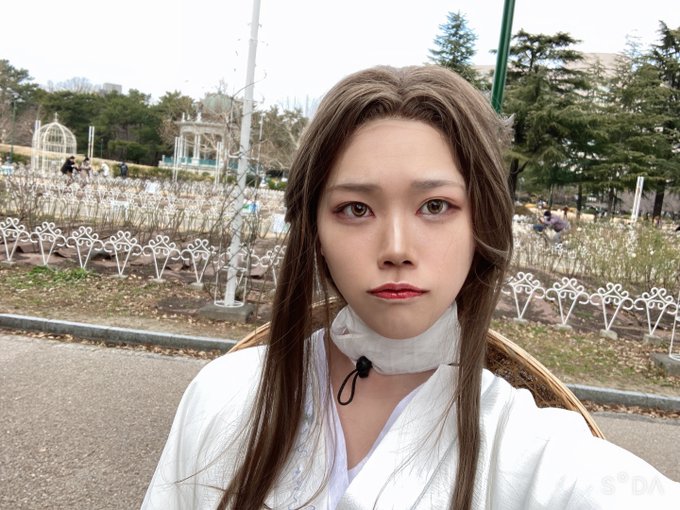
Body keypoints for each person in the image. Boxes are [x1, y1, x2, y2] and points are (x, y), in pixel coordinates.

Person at [143, 66, 679, 509]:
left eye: (435, 206)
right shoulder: (224, 396)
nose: (396, 248)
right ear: (315, 232)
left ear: (483, 226)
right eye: (356, 209)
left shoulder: (533, 451)